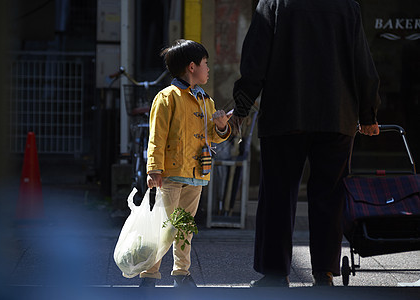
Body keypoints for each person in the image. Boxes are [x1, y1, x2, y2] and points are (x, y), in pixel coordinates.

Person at [231, 0, 381, 287]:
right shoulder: (346, 6)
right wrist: (367, 113)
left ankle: (275, 273)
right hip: (337, 114)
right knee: (329, 194)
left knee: (278, 194)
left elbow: (256, 56)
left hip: (285, 113)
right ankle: (324, 272)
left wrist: (242, 106)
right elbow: (362, 60)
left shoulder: (274, 2)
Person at [140, 39, 232, 288]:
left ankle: (181, 273)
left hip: (196, 173)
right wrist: (154, 168)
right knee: (166, 227)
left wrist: (222, 126)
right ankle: (150, 275)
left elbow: (213, 135)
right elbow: (156, 135)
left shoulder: (205, 100)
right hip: (170, 172)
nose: (208, 68)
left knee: (185, 227)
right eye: (205, 63)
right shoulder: (167, 97)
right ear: (192, 67)